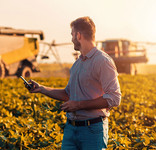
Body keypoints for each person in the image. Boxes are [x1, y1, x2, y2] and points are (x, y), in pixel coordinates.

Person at [27, 16, 121, 150]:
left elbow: (114, 97)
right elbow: (68, 94)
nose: (71, 39)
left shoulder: (102, 61)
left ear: (78, 35)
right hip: (71, 128)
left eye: (72, 34)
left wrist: (79, 105)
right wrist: (42, 89)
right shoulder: (77, 64)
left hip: (92, 130)